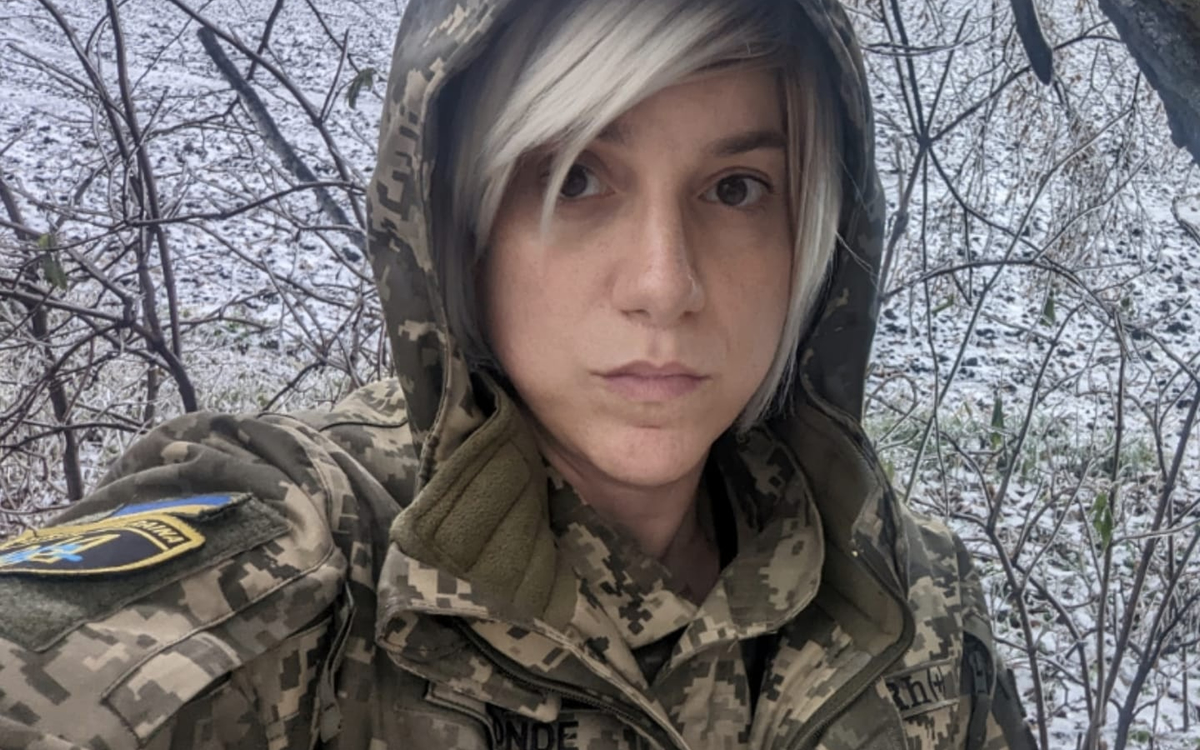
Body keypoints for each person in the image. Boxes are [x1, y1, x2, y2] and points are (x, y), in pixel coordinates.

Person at [0, 0, 1041, 747]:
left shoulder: (901, 594)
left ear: (814, 236)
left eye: (735, 188)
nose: (664, 284)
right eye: (577, 177)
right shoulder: (300, 569)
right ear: (462, 225)